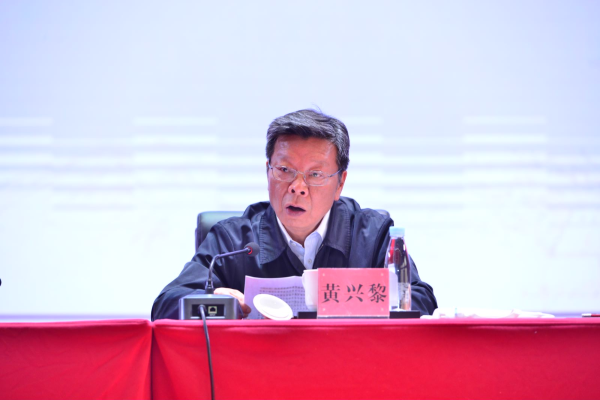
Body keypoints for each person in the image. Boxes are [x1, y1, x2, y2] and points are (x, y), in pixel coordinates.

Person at [151, 109, 437, 320]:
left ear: (340, 183)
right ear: (268, 172)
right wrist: (212, 299)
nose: (297, 187)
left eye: (315, 174)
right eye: (285, 170)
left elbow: (422, 301)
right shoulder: (233, 240)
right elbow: (165, 304)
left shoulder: (372, 235)